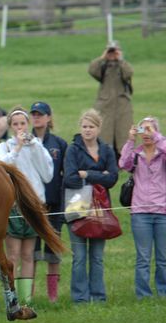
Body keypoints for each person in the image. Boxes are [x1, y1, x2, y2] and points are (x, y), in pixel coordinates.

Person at [0, 107, 53, 304]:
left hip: (34, 204)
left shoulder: (37, 145)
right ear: (11, 127)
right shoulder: (5, 147)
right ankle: (12, 296)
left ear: (27, 125)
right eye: (16, 124)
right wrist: (17, 148)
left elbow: (47, 174)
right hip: (13, 206)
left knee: (28, 254)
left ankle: (26, 299)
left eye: (23, 123)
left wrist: (35, 146)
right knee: (13, 254)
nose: (20, 127)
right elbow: (1, 168)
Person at [64, 109, 118, 303]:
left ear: (98, 128)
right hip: (77, 207)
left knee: (97, 257)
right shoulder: (73, 149)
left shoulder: (107, 150)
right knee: (79, 257)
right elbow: (69, 178)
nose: (87, 130)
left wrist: (86, 174)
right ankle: (80, 298)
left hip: (101, 208)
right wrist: (99, 175)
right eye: (84, 126)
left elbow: (112, 178)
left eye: (91, 127)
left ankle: (98, 297)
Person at [118, 117, 166, 299]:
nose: (146, 133)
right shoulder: (136, 154)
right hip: (140, 212)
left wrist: (157, 137)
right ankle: (143, 295)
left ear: (156, 132)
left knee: (163, 259)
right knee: (143, 258)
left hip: (162, 212)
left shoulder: (162, 152)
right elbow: (123, 164)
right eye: (143, 130)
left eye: (150, 130)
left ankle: (163, 293)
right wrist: (130, 140)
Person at [30, 101, 67, 303]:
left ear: (48, 118)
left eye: (40, 114)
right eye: (34, 114)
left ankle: (53, 296)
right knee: (32, 255)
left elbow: (65, 175)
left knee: (53, 255)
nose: (37, 117)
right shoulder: (24, 142)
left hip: (54, 206)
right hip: (33, 207)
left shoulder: (59, 145)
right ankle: (30, 294)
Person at [88, 40, 133, 157]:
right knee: (105, 134)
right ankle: (105, 157)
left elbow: (129, 73)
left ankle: (123, 159)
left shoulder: (123, 66)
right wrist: (103, 57)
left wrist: (120, 60)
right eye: (110, 51)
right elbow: (91, 70)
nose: (112, 54)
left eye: (115, 51)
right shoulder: (103, 67)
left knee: (122, 133)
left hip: (122, 107)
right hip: (105, 106)